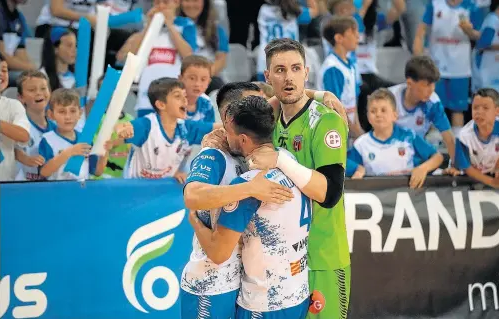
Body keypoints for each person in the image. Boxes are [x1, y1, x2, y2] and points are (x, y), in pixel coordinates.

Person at [248, 38, 350, 319]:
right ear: (268, 76)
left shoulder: (326, 121)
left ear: (306, 72)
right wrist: (216, 134)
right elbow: (236, 123)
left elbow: (330, 194)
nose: (288, 77)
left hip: (321, 256)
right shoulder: (273, 115)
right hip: (283, 260)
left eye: (295, 68)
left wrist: (280, 159)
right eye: (279, 70)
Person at [189, 95, 310, 319]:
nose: (225, 135)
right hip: (298, 292)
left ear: (243, 139)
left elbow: (218, 253)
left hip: (263, 303)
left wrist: (195, 222)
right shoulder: (288, 159)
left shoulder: (247, 184)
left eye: (228, 131)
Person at [115, 77, 218, 181]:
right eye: (178, 96)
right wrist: (121, 130)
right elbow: (120, 128)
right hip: (135, 192)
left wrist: (174, 173)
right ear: (161, 104)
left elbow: (218, 128)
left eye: (185, 96)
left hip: (162, 191)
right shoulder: (147, 125)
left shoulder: (186, 128)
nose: (185, 100)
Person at [347, 88, 443, 187]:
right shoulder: (361, 144)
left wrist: (423, 168)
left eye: (383, 110)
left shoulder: (409, 137)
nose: (378, 114)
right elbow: (343, 165)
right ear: (368, 116)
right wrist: (358, 169)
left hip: (410, 196)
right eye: (373, 111)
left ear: (395, 115)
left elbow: (437, 157)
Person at [118, 0, 198, 117]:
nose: (160, 6)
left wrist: (170, 25)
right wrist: (149, 27)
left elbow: (189, 57)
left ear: (176, 3)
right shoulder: (146, 27)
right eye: (157, 3)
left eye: (165, 2)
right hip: (147, 98)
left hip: (175, 96)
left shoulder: (186, 25)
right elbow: (128, 56)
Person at [413, 0, 482, 134]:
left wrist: (468, 30)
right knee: (433, 105)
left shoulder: (471, 6)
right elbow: (420, 32)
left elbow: (478, 36)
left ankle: (458, 142)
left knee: (458, 109)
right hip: (436, 67)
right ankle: (433, 141)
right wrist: (418, 57)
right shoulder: (435, 4)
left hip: (460, 68)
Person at [388, 55, 456, 161]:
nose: (432, 90)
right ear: (410, 83)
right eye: (427, 85)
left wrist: (456, 165)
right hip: (389, 152)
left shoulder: (432, 103)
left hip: (417, 154)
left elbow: (449, 138)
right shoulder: (389, 98)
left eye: (433, 85)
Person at [39, 88, 111, 180]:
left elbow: (97, 172)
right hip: (57, 192)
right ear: (51, 115)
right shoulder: (48, 139)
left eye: (72, 111)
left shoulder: (86, 139)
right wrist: (69, 152)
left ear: (80, 113)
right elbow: (44, 172)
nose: (68, 117)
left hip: (81, 191)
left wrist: (104, 154)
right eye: (62, 112)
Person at [454, 88, 499, 188]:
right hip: (466, 177)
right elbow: (467, 168)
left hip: (489, 173)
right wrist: (491, 182)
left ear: (497, 111)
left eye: (485, 108)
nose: (479, 112)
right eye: (475, 108)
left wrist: (497, 167)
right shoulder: (463, 136)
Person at [319, 15, 364, 138]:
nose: (358, 36)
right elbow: (335, 107)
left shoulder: (351, 65)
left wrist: (358, 130)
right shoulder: (332, 68)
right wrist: (357, 134)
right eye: (352, 32)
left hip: (349, 129)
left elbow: (353, 104)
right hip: (333, 130)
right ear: (339, 38)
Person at [256, 0, 318, 81]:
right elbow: (315, 11)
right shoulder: (294, 11)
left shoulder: (263, 10)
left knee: (266, 93)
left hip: (265, 61)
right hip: (290, 62)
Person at [180, 0, 229, 92]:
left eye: (196, 1)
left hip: (209, 78)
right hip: (180, 76)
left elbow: (221, 61)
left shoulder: (217, 30)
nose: (191, 4)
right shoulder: (173, 28)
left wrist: (202, 77)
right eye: (186, 0)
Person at [14, 71, 55, 181]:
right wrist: (24, 158)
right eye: (32, 90)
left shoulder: (58, 127)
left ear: (50, 92)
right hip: (21, 188)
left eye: (43, 88)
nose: (38, 93)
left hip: (52, 188)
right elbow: (7, 148)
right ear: (21, 97)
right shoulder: (16, 125)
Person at [0, 54, 30, 181]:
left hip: (4, 183)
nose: (1, 74)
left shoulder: (13, 105)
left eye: (4, 70)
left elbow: (23, 135)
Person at [0, 0, 36, 77]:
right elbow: (2, 58)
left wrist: (33, 69)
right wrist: (31, 68)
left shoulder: (19, 18)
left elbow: (21, 53)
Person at [179, 55, 215, 122]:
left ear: (208, 82)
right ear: (180, 78)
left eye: (203, 79)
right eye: (192, 78)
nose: (197, 84)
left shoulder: (207, 103)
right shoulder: (173, 102)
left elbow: (210, 129)